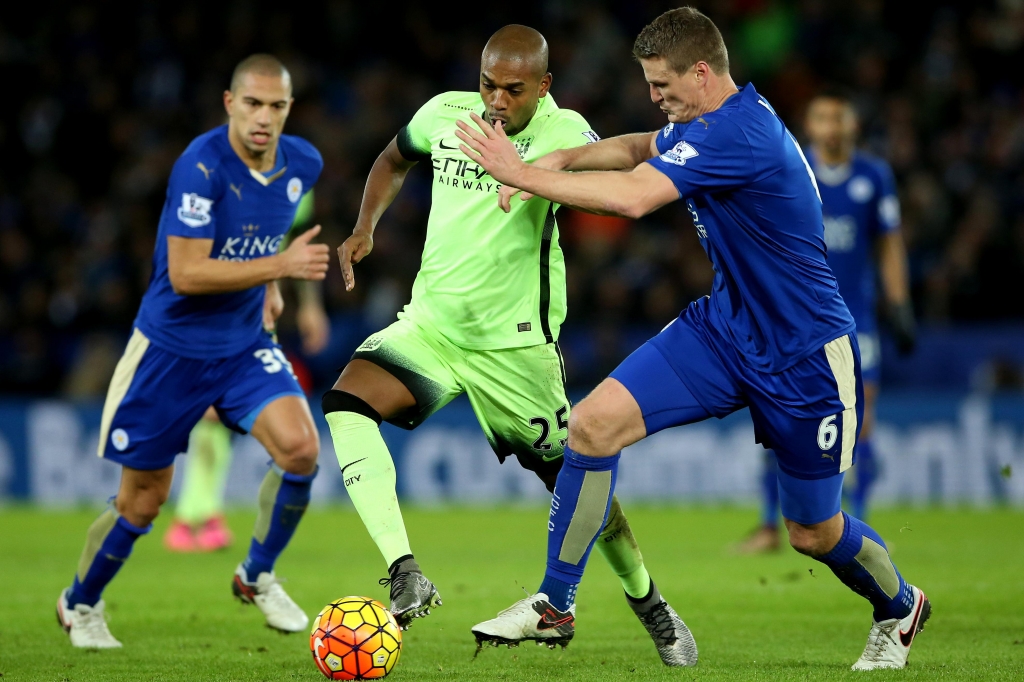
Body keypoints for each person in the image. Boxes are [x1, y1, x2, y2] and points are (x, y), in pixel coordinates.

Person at [459, 8, 930, 671]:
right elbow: (633, 149)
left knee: (812, 532)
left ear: (702, 73)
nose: (655, 98)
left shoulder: (739, 133)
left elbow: (630, 198)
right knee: (592, 425)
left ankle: (900, 605)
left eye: (661, 86)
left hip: (805, 355)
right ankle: (555, 605)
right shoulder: (701, 123)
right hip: (725, 330)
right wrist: (560, 155)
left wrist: (522, 174)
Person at [324, 24, 696, 666]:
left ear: (545, 87)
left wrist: (538, 176)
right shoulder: (445, 114)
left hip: (514, 350)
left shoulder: (564, 131)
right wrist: (364, 227)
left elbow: (620, 181)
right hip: (433, 327)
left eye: (514, 90)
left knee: (576, 484)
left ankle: (650, 602)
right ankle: (405, 570)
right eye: (489, 86)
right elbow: (393, 158)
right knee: (346, 403)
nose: (497, 101)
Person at [56, 54, 329, 648]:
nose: (263, 118)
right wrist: (278, 266)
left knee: (302, 449)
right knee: (142, 504)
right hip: (170, 354)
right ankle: (80, 603)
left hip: (242, 347)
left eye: (276, 106)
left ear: (288, 110)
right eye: (252, 104)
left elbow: (263, 232)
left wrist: (272, 286)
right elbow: (184, 273)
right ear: (229, 103)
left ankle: (256, 573)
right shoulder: (200, 166)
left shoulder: (303, 163)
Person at [737, 90, 915, 553]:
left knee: (862, 422)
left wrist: (899, 303)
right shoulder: (794, 169)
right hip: (793, 320)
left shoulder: (873, 176)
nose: (831, 125)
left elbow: (889, 242)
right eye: (821, 117)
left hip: (856, 318)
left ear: (852, 123)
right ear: (809, 126)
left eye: (839, 115)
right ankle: (766, 525)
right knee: (778, 422)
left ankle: (862, 525)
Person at [163, 190, 331, 553]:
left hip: (258, 306)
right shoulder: (216, 173)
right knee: (209, 412)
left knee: (215, 416)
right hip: (216, 302)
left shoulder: (298, 182)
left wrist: (309, 306)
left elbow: (297, 244)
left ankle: (197, 516)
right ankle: (194, 516)